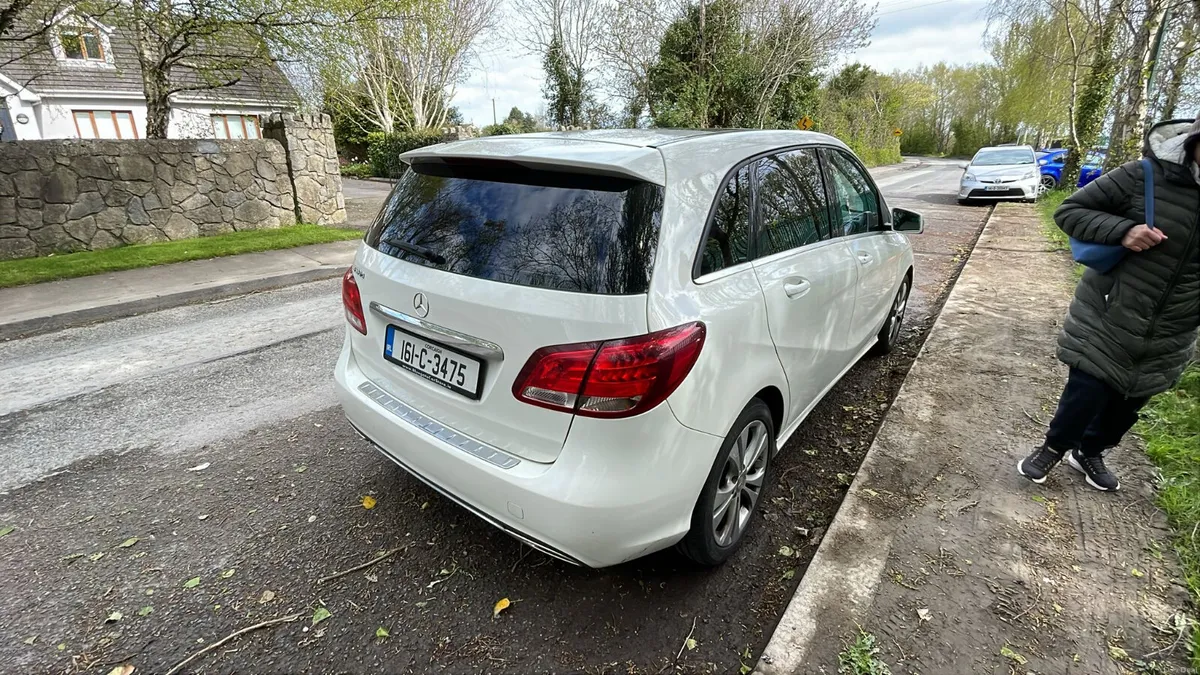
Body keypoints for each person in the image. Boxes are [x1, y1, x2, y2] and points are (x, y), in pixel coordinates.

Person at [1018, 117, 1200, 491]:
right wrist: (1124, 231)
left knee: (1129, 402)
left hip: (1175, 326)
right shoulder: (1144, 175)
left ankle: (1091, 451)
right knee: (1087, 390)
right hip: (1110, 309)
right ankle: (1054, 447)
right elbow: (1069, 212)